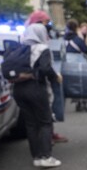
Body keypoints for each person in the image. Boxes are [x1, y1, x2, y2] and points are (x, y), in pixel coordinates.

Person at [11, 24, 62, 169]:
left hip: (19, 89)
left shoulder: (19, 48)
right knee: (45, 122)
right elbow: (46, 68)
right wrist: (55, 77)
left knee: (31, 123)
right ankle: (46, 156)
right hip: (36, 88)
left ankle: (37, 156)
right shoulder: (42, 48)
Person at [25, 10, 68, 143]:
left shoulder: (27, 39)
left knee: (34, 119)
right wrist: (55, 75)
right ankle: (45, 146)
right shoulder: (39, 45)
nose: (48, 25)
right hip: (39, 83)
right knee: (44, 114)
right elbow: (44, 66)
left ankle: (41, 145)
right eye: (46, 22)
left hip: (28, 84)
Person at [64, 19, 87, 113]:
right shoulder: (77, 39)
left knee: (74, 84)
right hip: (79, 63)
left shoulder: (63, 39)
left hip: (68, 64)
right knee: (84, 83)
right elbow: (86, 50)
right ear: (76, 28)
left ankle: (77, 102)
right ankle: (84, 103)